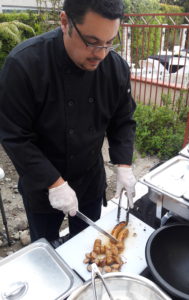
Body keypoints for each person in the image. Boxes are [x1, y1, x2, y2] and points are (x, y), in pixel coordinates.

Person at [0, 0, 136, 244]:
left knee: (87, 244)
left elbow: (123, 120)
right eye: (92, 42)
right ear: (65, 22)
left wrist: (124, 164)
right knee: (46, 247)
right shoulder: (24, 65)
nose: (101, 54)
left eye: (109, 43)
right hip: (42, 184)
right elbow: (14, 135)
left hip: (89, 180)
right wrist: (54, 183)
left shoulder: (116, 69)